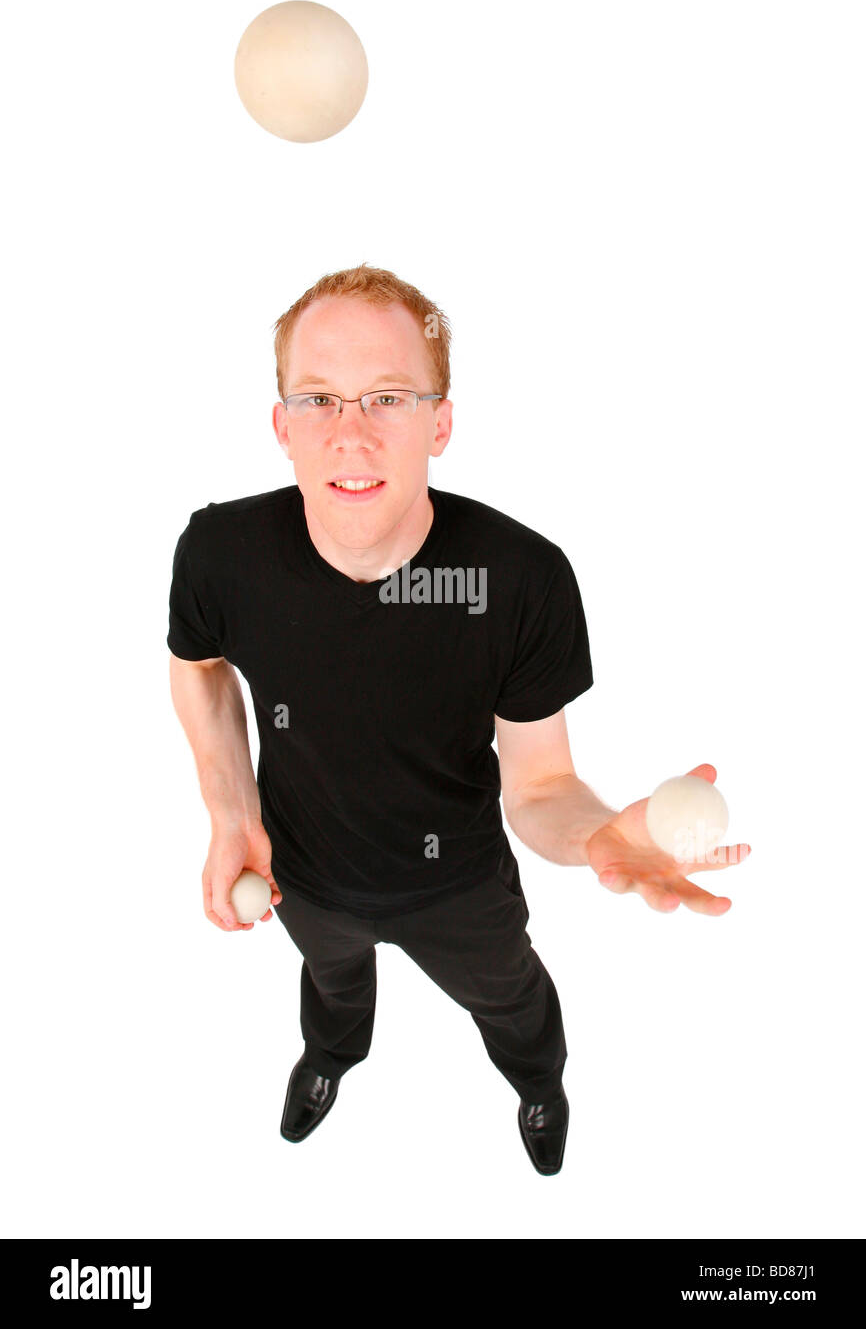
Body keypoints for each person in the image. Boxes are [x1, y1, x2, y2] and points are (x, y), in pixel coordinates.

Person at [167, 263, 750, 1176]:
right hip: (304, 876)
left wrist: (599, 834)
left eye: (387, 398)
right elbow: (196, 665)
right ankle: (330, 1062)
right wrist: (230, 810)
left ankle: (540, 1085)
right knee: (331, 990)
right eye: (318, 399)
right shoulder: (219, 552)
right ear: (281, 426)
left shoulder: (522, 580)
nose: (349, 434)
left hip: (462, 889)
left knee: (514, 1003)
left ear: (441, 421)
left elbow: (544, 783)